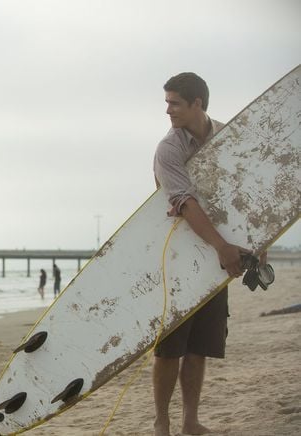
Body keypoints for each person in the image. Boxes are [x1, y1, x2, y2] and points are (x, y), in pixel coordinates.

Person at [152, 72, 249, 436]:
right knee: (170, 348)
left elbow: (245, 195)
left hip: (214, 254)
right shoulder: (169, 148)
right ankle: (162, 422)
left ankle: (190, 421)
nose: (168, 110)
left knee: (199, 347)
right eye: (166, 102)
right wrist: (223, 247)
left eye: (174, 102)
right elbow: (185, 203)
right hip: (177, 256)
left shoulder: (227, 138)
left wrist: (258, 244)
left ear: (197, 103)